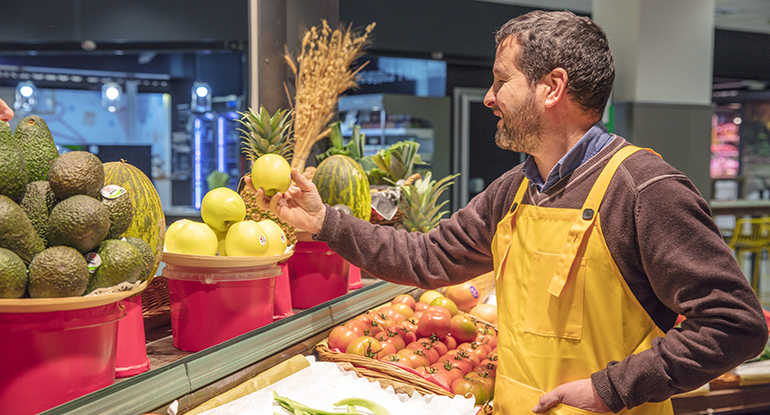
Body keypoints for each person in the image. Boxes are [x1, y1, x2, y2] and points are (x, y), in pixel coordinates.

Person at [247, 10, 769, 414]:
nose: (489, 97)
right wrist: (324, 222)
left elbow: (736, 323)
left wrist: (612, 389)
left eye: (501, 81)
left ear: (551, 87)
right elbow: (429, 258)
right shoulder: (514, 190)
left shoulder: (644, 190)